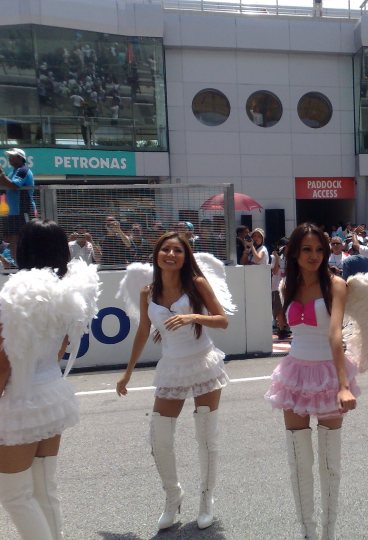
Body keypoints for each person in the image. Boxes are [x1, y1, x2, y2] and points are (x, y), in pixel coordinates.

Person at [116, 232, 230, 531]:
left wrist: (193, 317)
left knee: (206, 435)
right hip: (171, 368)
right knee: (159, 438)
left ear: (185, 256)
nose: (171, 254)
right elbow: (143, 331)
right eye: (165, 249)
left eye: (177, 250)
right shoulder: (147, 292)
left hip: (204, 362)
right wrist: (128, 371)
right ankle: (173, 495)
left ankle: (206, 499)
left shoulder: (197, 285)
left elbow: (222, 320)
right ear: (157, 255)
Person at [0, 219, 99, 540]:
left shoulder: (15, 294)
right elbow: (62, 347)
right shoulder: (67, 290)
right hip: (52, 393)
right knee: (44, 487)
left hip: (19, 399)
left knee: (15, 495)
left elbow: (4, 364)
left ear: (23, 249)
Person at [264, 223, 359, 540]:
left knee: (330, 462)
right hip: (294, 373)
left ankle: (328, 533)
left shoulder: (336, 285)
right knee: (298, 460)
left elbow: (335, 334)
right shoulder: (285, 287)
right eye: (307, 249)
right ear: (294, 252)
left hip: (330, 373)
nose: (314, 255)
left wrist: (343, 385)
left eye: (319, 249)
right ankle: (308, 531)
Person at [0, 148, 35, 260]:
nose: (9, 158)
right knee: (10, 239)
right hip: (11, 213)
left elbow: (14, 185)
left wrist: (1, 174)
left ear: (20, 158)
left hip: (22, 211)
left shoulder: (23, 170)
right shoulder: (13, 172)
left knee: (20, 238)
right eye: (9, 156)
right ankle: (17, 264)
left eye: (12, 156)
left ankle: (24, 265)